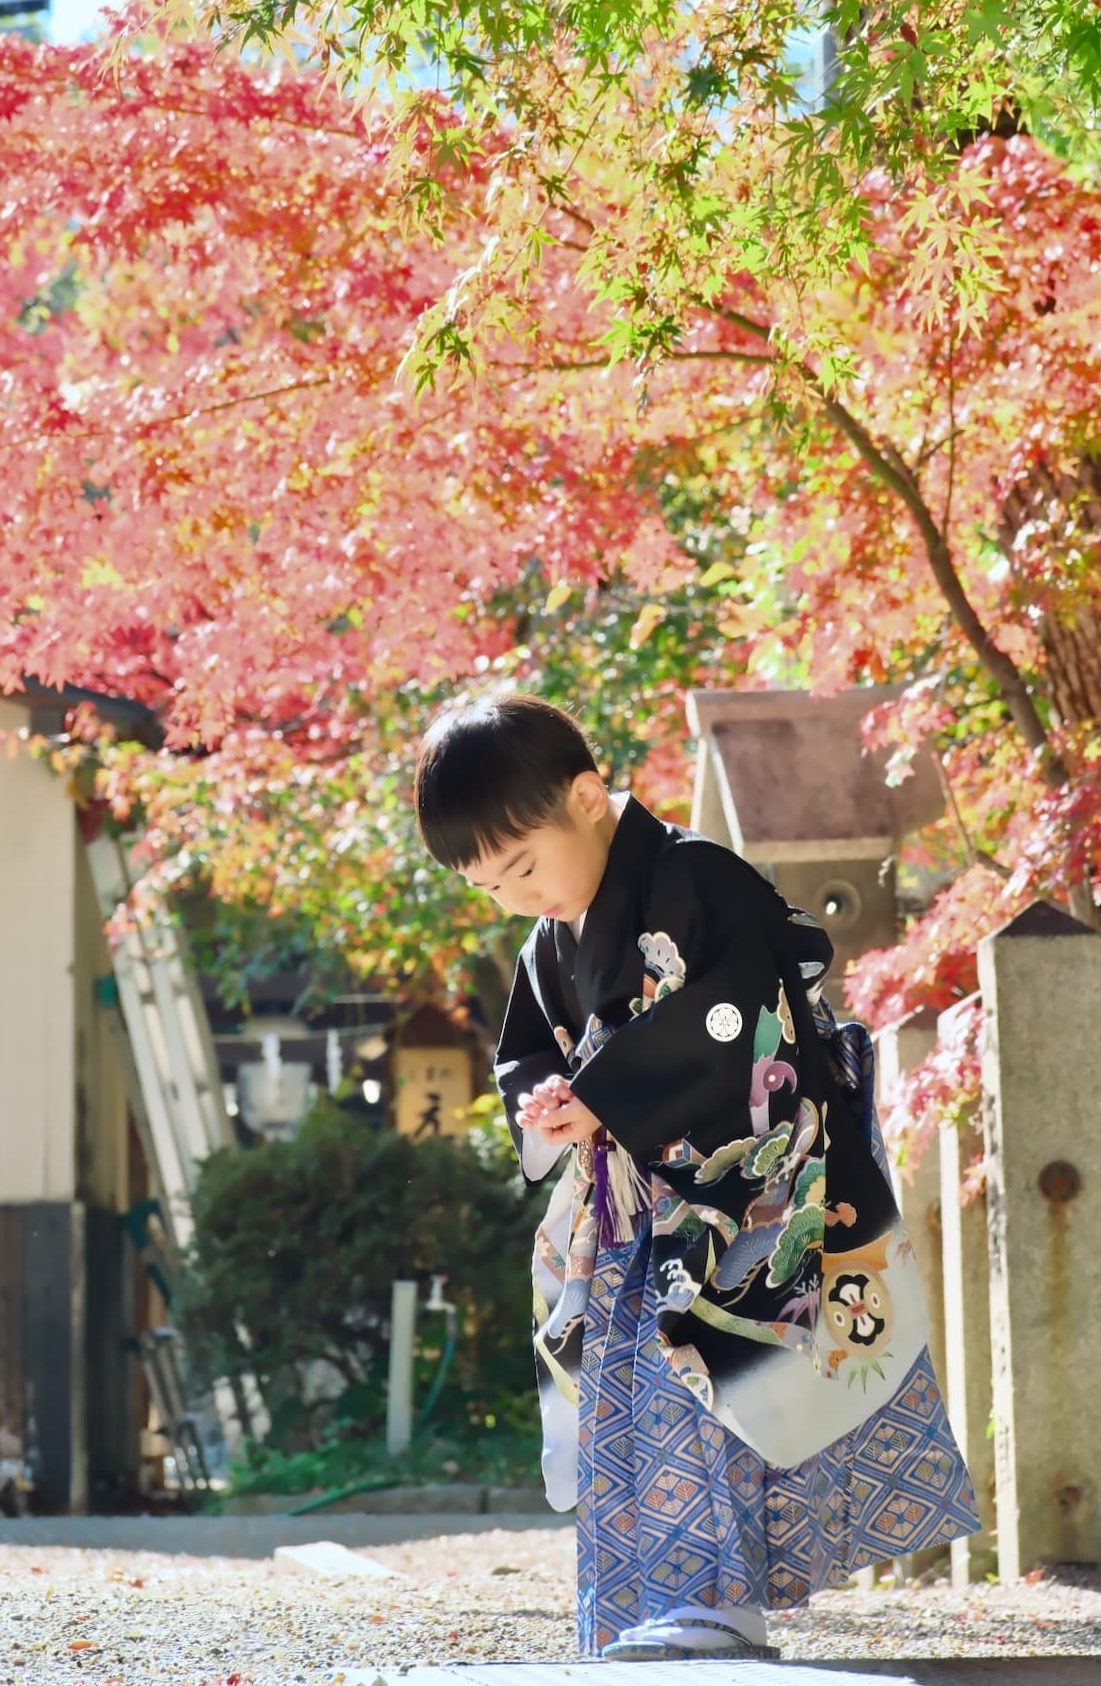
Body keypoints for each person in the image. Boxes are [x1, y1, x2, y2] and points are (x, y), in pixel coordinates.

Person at [414, 691, 979, 1662]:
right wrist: (550, 1099)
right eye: (488, 883)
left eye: (520, 864)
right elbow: (525, 1058)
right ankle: (645, 1608)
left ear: (589, 796)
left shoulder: (693, 876)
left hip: (749, 1196)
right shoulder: (551, 942)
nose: (514, 896)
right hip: (633, 1219)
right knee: (627, 1397)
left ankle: (720, 1606)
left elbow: (739, 1008)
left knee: (715, 1382)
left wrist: (607, 1090)